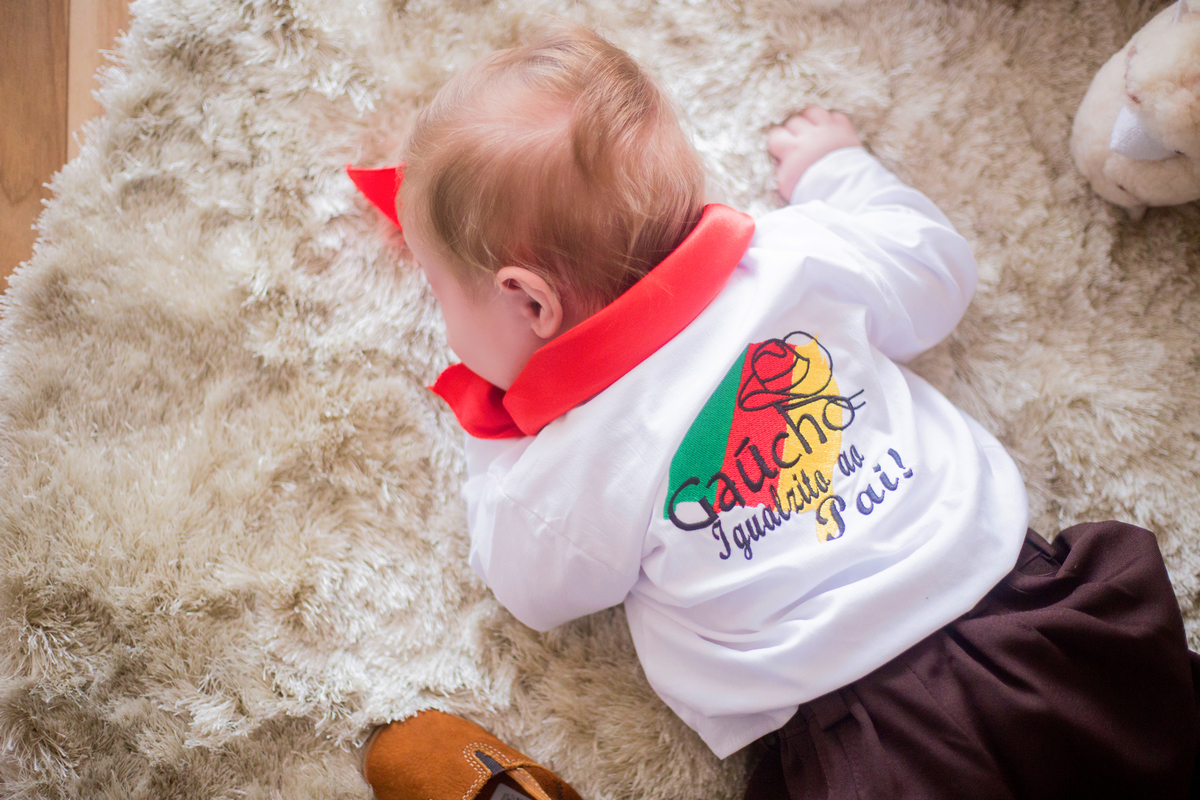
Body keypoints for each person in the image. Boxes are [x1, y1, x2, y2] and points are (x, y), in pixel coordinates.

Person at [353, 21, 1200, 799]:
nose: (438, 315)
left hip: (868, 739)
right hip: (1043, 627)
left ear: (529, 302)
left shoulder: (577, 462)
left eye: (438, 291)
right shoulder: (796, 250)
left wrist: (494, 437)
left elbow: (525, 585)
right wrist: (837, 172)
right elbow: (937, 269)